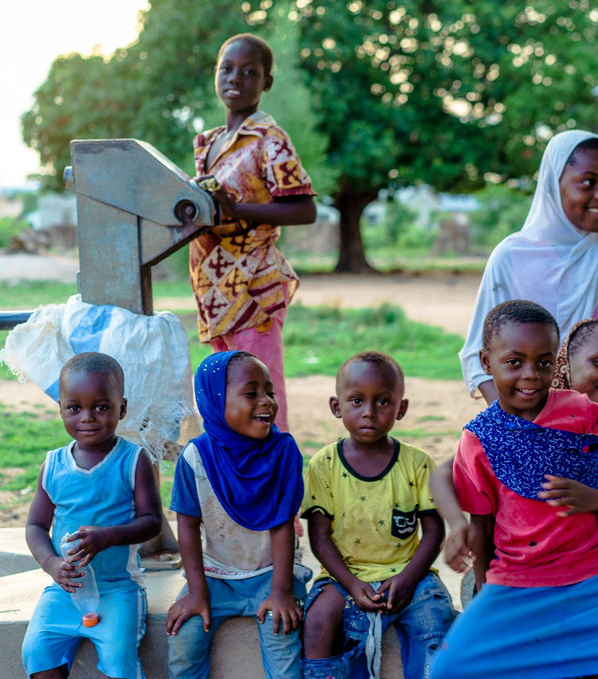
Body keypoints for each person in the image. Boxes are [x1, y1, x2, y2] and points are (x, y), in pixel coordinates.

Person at [429, 300, 598, 679]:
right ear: (486, 363)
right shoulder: (481, 438)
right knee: (448, 671)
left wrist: (590, 499)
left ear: (557, 362)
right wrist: (486, 592)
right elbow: (482, 526)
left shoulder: (587, 415)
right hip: (517, 582)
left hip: (595, 574)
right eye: (515, 362)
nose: (531, 375)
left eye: (544, 362)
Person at [458, 129, 598, 475]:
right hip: (527, 425)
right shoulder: (512, 257)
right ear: (552, 184)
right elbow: (475, 355)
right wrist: (518, 429)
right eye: (588, 182)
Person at [434, 317, 598, 575]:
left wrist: (593, 499)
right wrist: (456, 524)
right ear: (563, 364)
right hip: (520, 552)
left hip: (591, 552)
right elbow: (446, 472)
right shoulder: (524, 419)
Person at [189, 32, 318, 432]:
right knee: (225, 404)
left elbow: (305, 208)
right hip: (215, 294)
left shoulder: (268, 139)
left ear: (266, 83)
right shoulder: (208, 144)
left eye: (249, 72)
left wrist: (236, 210)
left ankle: (275, 490)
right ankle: (235, 490)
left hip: (254, 294)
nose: (235, 78)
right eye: (226, 69)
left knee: (260, 401)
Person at [301, 351, 455, 679]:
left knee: (436, 619)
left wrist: (409, 577)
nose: (369, 412)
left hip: (408, 573)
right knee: (317, 620)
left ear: (401, 408)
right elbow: (319, 537)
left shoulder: (416, 463)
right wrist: (352, 584)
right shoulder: (324, 465)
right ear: (336, 406)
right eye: (356, 401)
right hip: (344, 574)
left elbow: (433, 531)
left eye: (383, 402)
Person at [166, 351, 311, 679]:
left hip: (271, 575)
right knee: (184, 642)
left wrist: (282, 592)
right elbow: (187, 526)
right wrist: (196, 591)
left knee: (284, 648)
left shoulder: (283, 451)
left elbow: (281, 525)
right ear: (215, 401)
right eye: (251, 393)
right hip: (214, 577)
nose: (267, 402)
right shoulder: (195, 458)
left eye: (270, 392)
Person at [22, 352, 164, 679]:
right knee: (37, 652)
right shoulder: (53, 465)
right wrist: (51, 564)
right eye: (74, 408)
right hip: (65, 588)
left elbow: (152, 521)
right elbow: (35, 526)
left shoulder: (133, 460)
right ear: (60, 408)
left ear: (122, 409)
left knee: (118, 658)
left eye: (101, 407)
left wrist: (107, 536)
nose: (87, 417)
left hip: (119, 589)